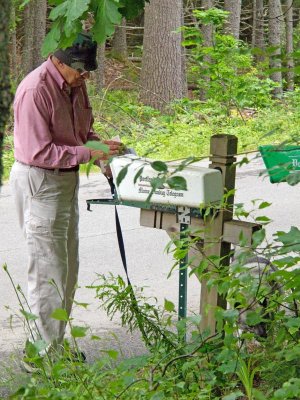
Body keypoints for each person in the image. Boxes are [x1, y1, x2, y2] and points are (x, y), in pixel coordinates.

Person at [9, 32, 123, 359]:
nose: (85, 75)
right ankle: (41, 358)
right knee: (48, 273)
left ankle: (54, 349)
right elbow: (38, 152)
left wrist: (101, 151)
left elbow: (83, 133)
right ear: (58, 60)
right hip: (40, 182)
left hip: (65, 183)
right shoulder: (35, 90)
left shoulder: (76, 82)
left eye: (88, 70)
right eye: (80, 69)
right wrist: (88, 153)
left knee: (68, 270)